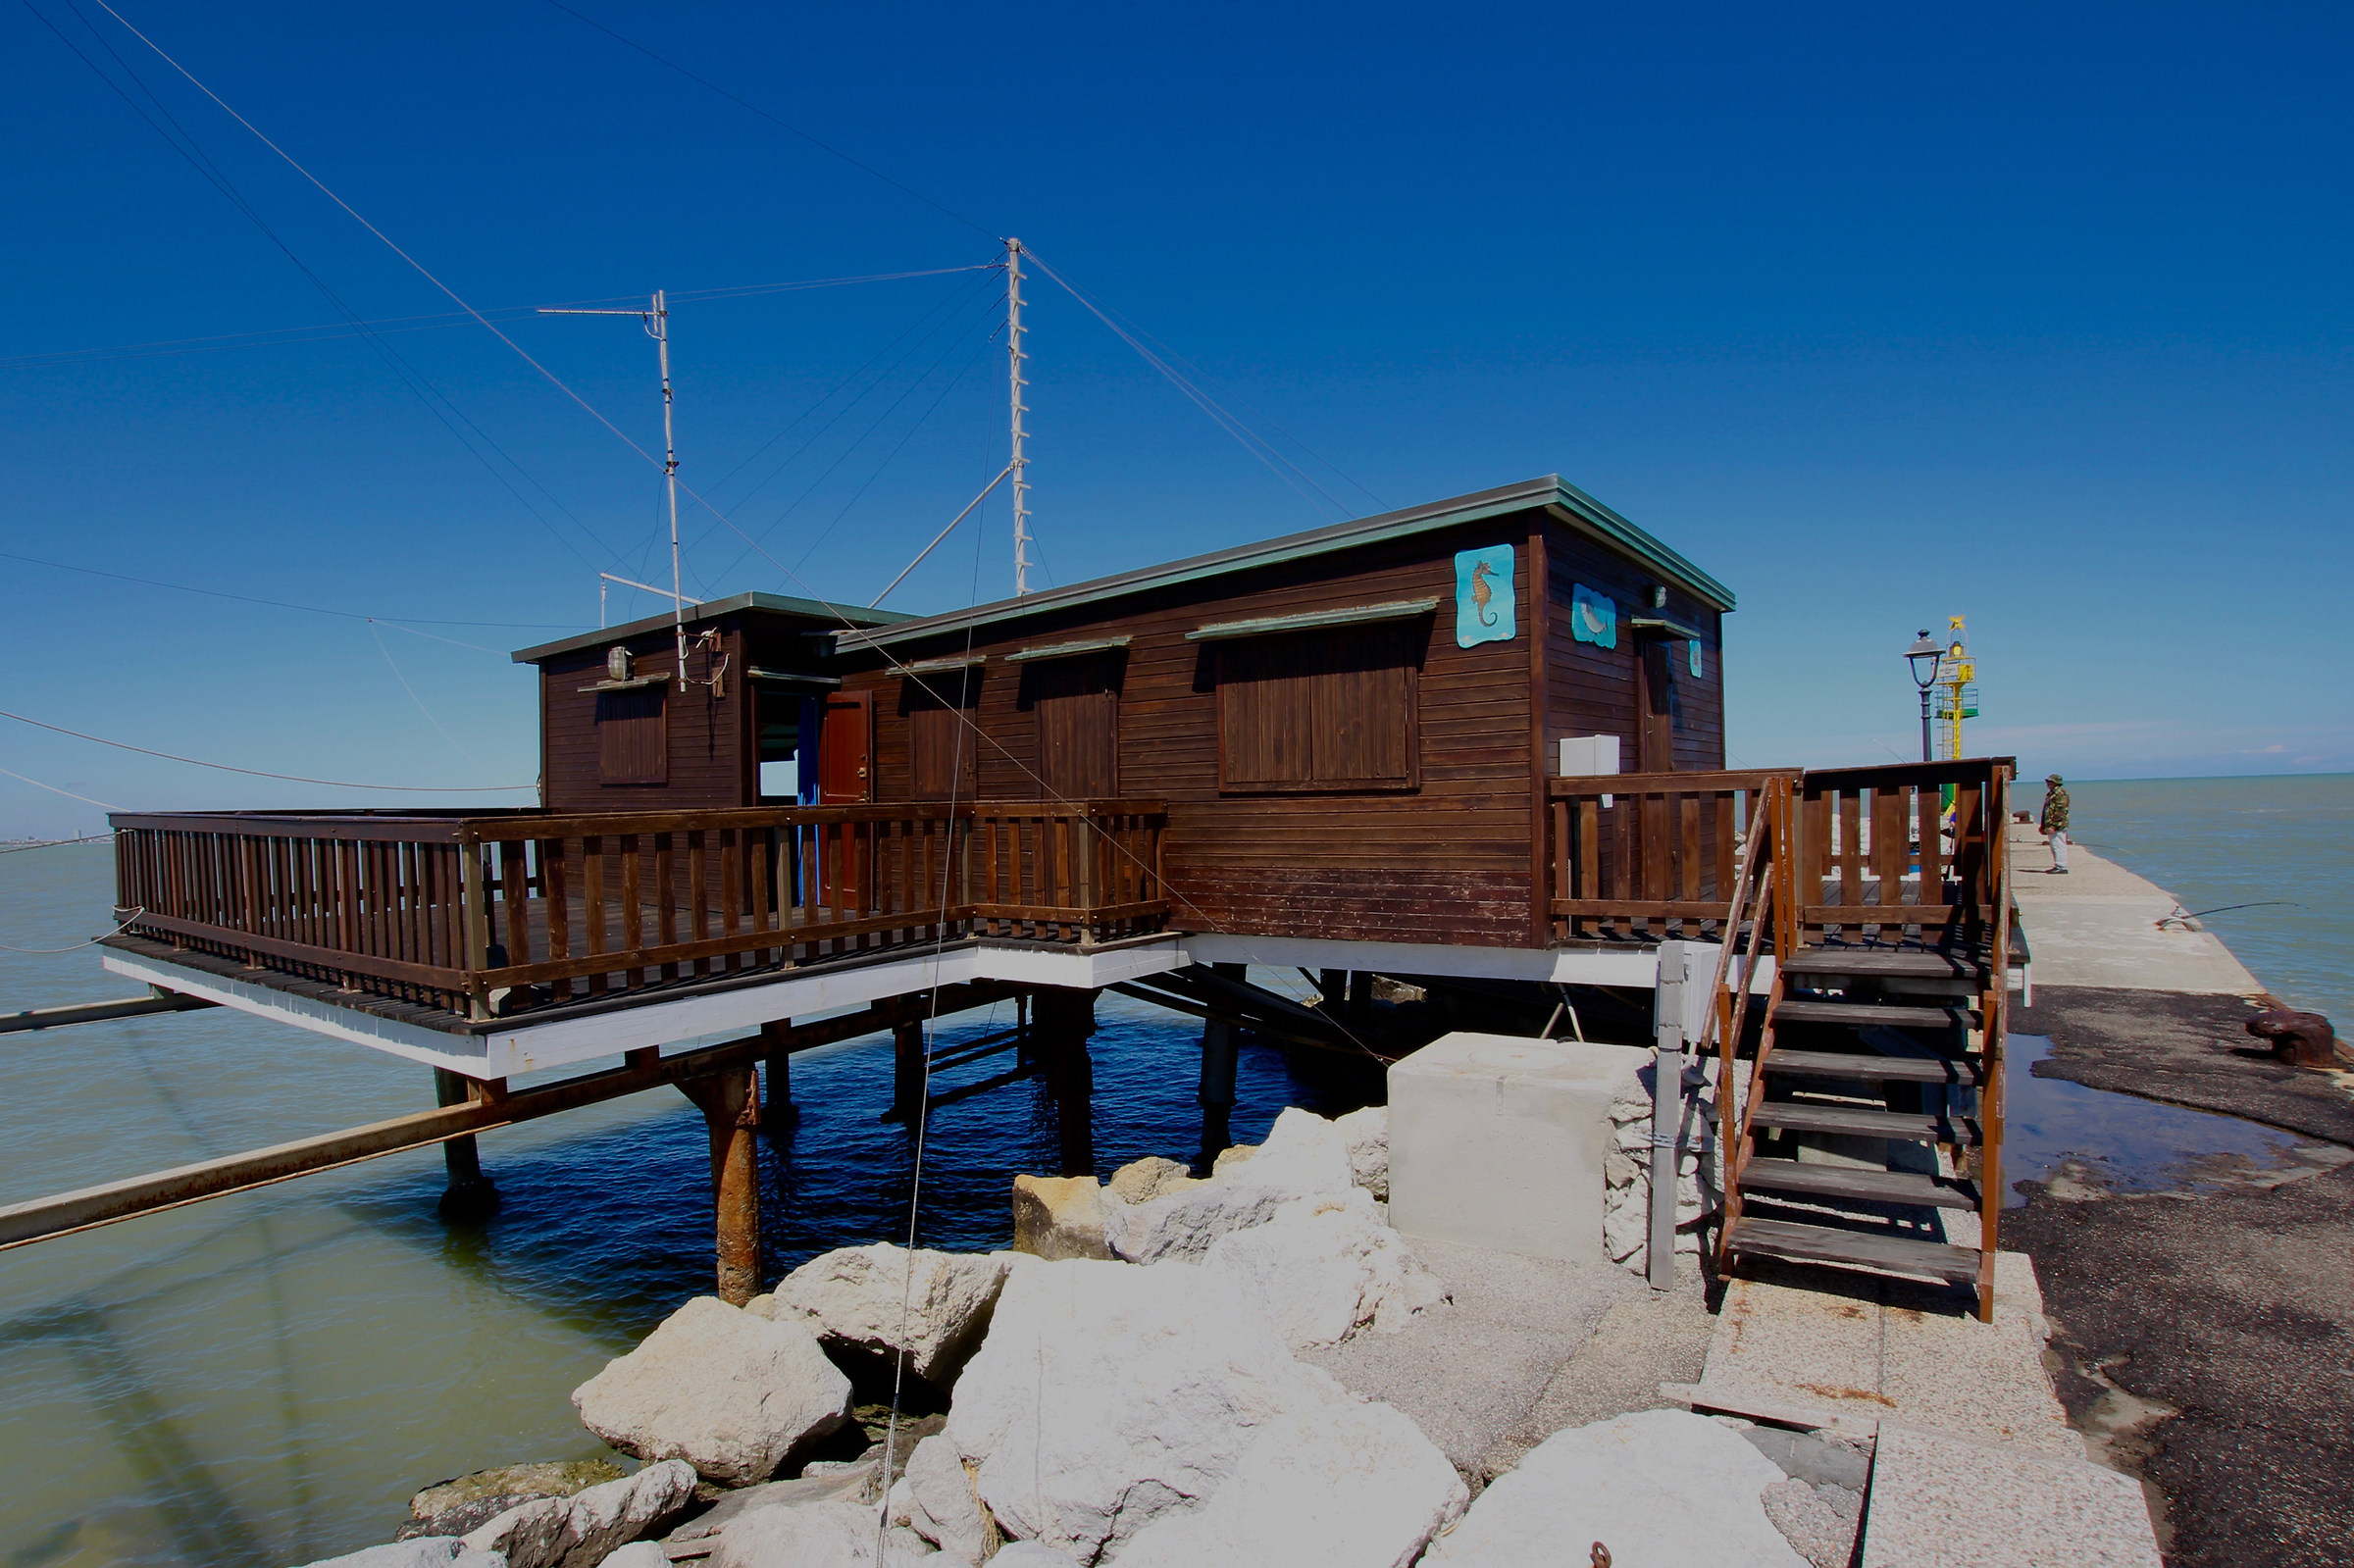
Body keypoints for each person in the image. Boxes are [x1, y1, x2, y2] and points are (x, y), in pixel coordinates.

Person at [2039, 773, 2071, 874]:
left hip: (2058, 825)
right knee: (2054, 845)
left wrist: (2053, 825)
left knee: (2059, 845)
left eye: (2050, 782)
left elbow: (2060, 812)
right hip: (2051, 824)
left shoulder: (2060, 794)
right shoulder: (2051, 794)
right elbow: (2047, 811)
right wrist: (2044, 825)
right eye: (2048, 782)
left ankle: (2062, 866)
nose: (2048, 784)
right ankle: (2058, 865)